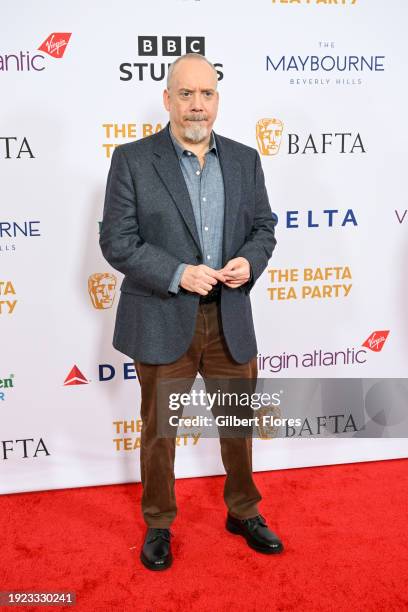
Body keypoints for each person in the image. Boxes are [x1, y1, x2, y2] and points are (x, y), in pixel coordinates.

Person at [100, 53, 283, 571]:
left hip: (230, 316)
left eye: (205, 95)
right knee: (161, 433)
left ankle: (243, 511)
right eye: (185, 94)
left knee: (237, 422)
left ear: (217, 102)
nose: (196, 106)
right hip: (162, 315)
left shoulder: (246, 160)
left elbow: (264, 226)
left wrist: (250, 259)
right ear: (168, 100)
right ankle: (159, 523)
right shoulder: (133, 160)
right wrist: (178, 272)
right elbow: (118, 241)